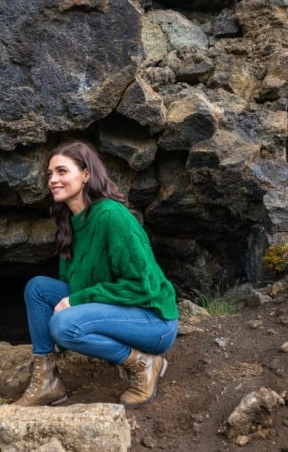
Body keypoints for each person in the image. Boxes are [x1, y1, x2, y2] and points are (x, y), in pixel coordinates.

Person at [15, 140, 179, 409]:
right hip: (117, 312)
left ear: (86, 174)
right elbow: (73, 285)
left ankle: (145, 364)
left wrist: (77, 304)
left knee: (64, 325)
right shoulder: (71, 222)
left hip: (153, 321)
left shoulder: (112, 216)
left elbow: (142, 287)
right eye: (50, 174)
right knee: (38, 288)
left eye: (62, 171)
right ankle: (47, 382)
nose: (53, 180)